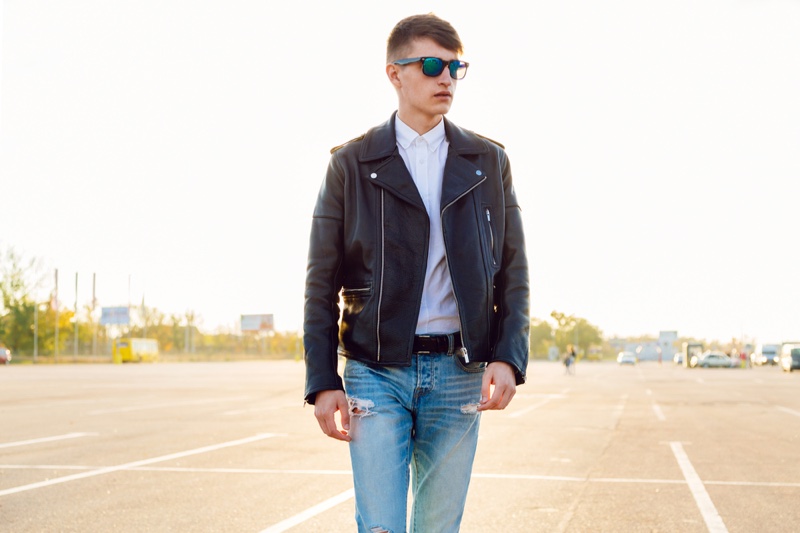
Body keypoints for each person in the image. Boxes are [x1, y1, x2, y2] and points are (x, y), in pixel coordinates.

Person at [303, 13, 530, 532]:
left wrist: (508, 356)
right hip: (375, 371)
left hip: (459, 374)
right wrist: (321, 380)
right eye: (431, 65)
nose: (445, 77)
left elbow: (513, 270)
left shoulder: (488, 161)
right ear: (395, 74)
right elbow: (321, 283)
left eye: (456, 67)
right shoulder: (352, 164)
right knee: (380, 525)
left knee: (437, 527)